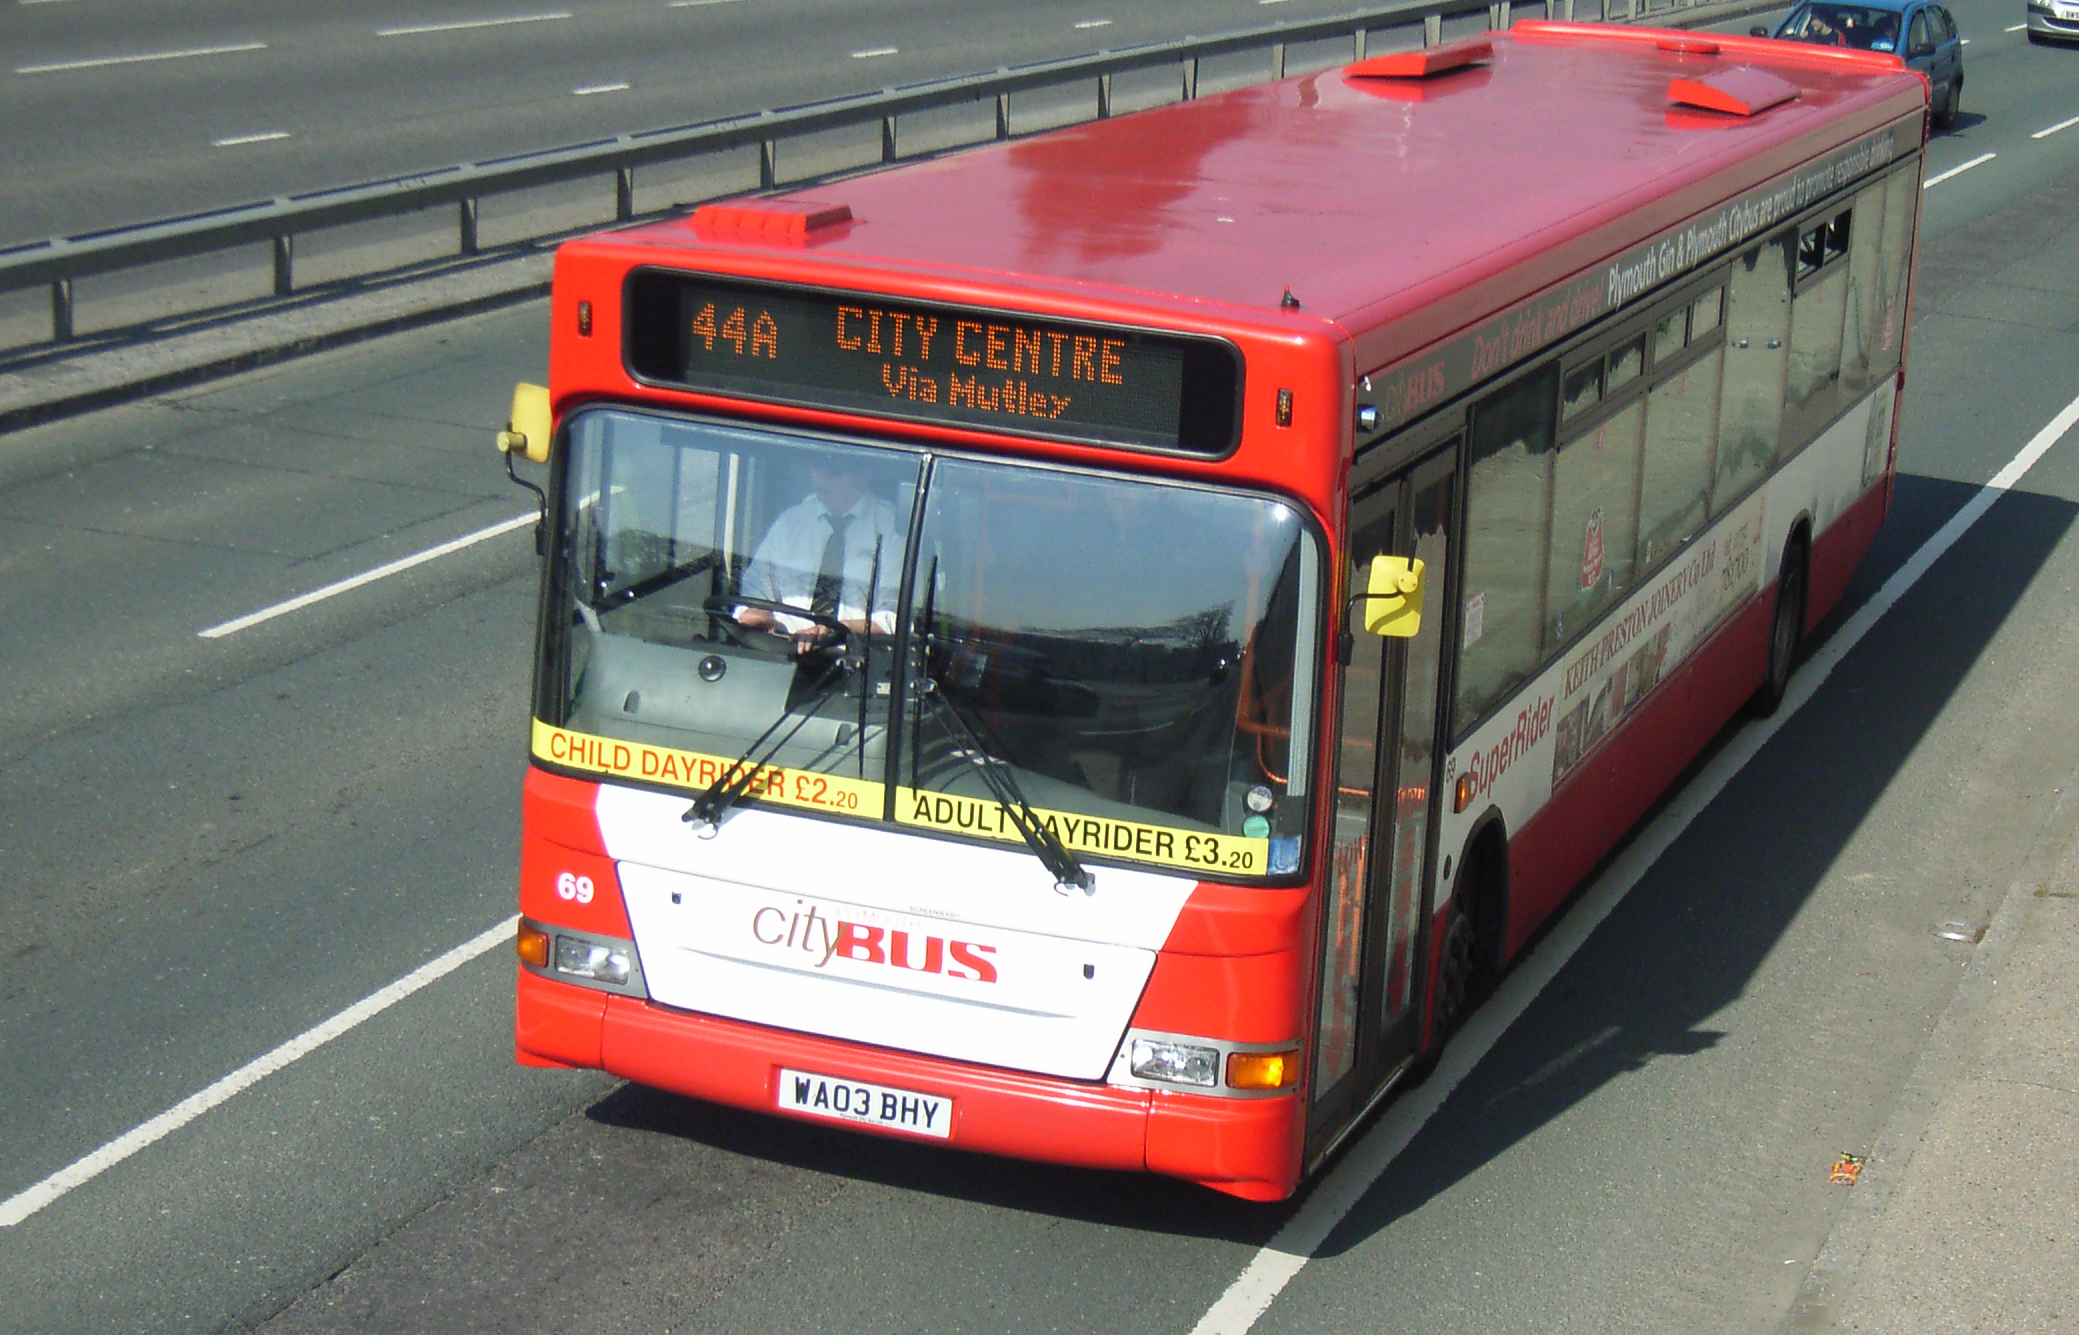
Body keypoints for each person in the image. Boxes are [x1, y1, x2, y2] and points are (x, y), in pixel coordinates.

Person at [734, 460, 902, 654]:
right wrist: (757, 611)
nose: (822, 478)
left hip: (854, 661)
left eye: (834, 471)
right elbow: (755, 588)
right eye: (816, 467)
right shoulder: (790, 522)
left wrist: (833, 630)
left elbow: (893, 618)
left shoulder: (892, 528)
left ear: (863, 477)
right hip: (783, 653)